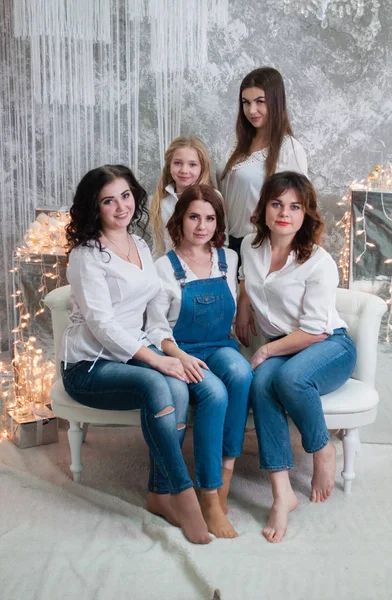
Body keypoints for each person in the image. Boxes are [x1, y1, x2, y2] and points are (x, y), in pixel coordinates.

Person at [60, 164, 212, 545]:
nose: (120, 206)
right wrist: (156, 359)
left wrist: (167, 347)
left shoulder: (141, 245)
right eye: (108, 201)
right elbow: (103, 325)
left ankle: (158, 494)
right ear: (94, 208)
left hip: (132, 353)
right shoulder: (86, 255)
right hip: (89, 364)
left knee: (176, 389)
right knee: (155, 383)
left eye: (125, 196)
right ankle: (184, 495)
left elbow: (150, 308)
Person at [236, 171, 357, 544]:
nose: (284, 213)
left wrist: (267, 349)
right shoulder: (249, 249)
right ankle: (281, 493)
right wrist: (243, 307)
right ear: (264, 208)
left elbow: (317, 330)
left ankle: (322, 450)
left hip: (328, 346)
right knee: (261, 384)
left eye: (294, 206)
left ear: (306, 214)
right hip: (285, 345)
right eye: (276, 204)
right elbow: (246, 280)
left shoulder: (318, 262)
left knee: (288, 379)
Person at [146, 184, 253, 539]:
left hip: (219, 345)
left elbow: (236, 307)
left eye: (210, 218)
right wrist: (178, 355)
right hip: (180, 348)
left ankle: (225, 473)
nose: (202, 225)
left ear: (218, 222)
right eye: (194, 216)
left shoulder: (229, 259)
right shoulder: (165, 267)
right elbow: (155, 328)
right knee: (215, 394)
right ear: (181, 219)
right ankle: (208, 494)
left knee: (241, 373)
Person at [217, 66, 308, 260]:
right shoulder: (236, 143)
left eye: (260, 102)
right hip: (225, 243)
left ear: (276, 103)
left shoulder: (289, 149)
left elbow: (301, 207)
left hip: (262, 247)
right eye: (246, 102)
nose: (252, 110)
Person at [150, 136, 215, 259]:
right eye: (178, 163)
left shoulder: (213, 199)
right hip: (170, 271)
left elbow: (222, 242)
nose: (184, 170)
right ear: (169, 166)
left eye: (192, 164)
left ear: (202, 167)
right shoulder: (161, 202)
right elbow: (158, 248)